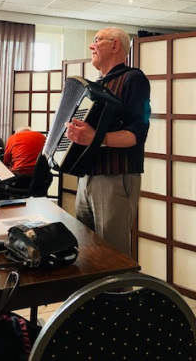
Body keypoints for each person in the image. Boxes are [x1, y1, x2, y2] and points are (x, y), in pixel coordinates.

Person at [65, 27, 151, 257]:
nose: (91, 46)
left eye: (96, 40)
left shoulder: (133, 79)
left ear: (115, 45)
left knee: (112, 255)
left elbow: (137, 134)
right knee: (87, 251)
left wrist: (96, 138)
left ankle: (120, 284)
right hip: (86, 177)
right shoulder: (97, 85)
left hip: (115, 177)